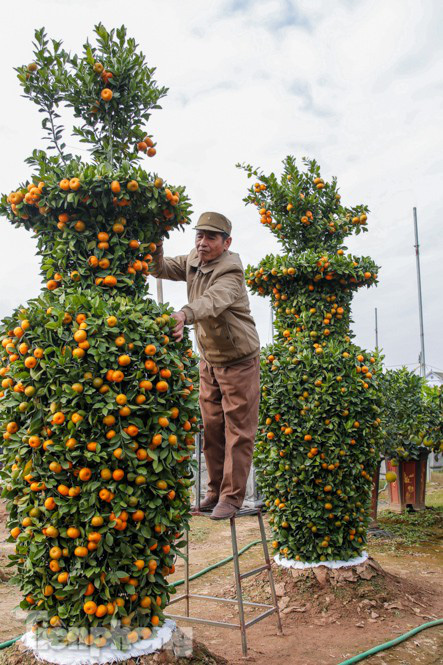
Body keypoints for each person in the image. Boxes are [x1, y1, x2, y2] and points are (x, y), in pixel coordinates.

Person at [150, 212, 261, 519]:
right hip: (209, 359)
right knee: (212, 429)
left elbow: (213, 301)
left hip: (238, 360)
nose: (202, 242)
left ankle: (232, 496)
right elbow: (158, 267)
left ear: (226, 243)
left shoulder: (231, 271)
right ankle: (214, 490)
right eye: (199, 235)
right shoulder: (192, 260)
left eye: (211, 237)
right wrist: (154, 242)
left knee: (238, 430)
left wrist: (184, 314)